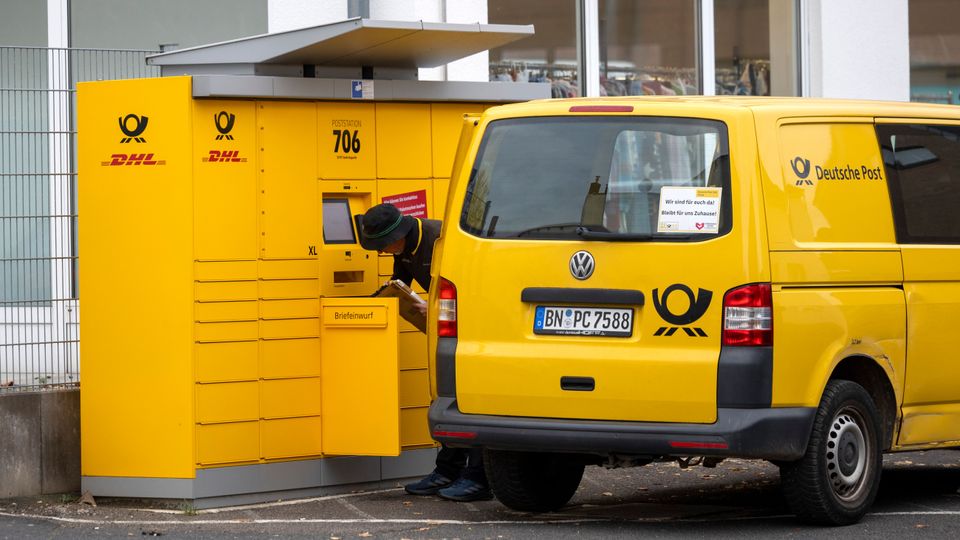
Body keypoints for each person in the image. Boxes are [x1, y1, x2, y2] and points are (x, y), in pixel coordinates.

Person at [358, 203, 492, 502]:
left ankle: (478, 477)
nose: (381, 252)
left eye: (382, 245)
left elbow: (476, 288)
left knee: (472, 400)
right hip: (448, 329)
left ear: (399, 236)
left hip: (475, 330)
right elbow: (401, 284)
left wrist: (434, 308)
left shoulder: (442, 240)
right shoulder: (403, 248)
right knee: (447, 399)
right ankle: (447, 471)